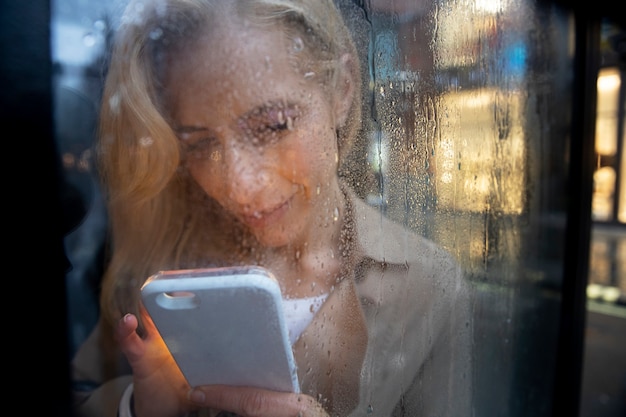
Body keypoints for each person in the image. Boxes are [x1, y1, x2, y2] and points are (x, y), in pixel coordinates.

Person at [71, 0, 472, 416]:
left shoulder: (428, 285)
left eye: (272, 126)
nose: (240, 185)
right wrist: (136, 405)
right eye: (200, 143)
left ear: (343, 89)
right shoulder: (165, 260)